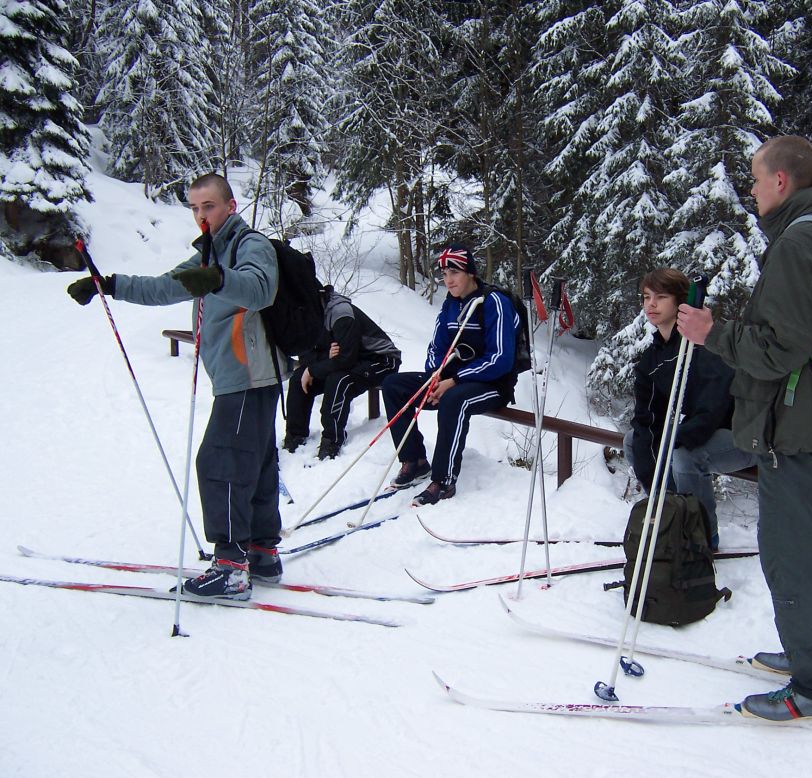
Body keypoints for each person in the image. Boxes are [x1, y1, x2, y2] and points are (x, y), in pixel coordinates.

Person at [676, 135, 812, 723]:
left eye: (754, 179)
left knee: (793, 553)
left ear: (781, 181)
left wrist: (712, 334)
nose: (750, 190)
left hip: (790, 424)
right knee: (807, 546)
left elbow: (779, 350)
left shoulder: (799, 243)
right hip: (805, 418)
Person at [66, 174, 288, 599]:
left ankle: (231, 567)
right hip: (242, 375)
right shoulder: (210, 253)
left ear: (230, 206)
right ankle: (262, 553)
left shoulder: (250, 245)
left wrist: (219, 280)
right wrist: (108, 285)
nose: (201, 215)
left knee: (221, 462)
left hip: (248, 372)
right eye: (194, 208)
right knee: (255, 463)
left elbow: (260, 290)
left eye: (209, 206)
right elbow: (165, 287)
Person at [623, 268, 754, 551]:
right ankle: (672, 517)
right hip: (701, 430)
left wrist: (674, 439)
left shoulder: (705, 347)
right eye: (646, 297)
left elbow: (713, 410)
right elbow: (647, 417)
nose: (651, 304)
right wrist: (651, 454)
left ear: (680, 302)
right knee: (634, 442)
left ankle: (701, 535)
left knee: (685, 455)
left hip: (745, 433)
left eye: (661, 297)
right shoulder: (653, 358)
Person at [381, 243, 519, 507]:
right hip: (450, 379)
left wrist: (454, 381)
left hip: (492, 383)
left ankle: (443, 481)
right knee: (393, 385)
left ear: (470, 272)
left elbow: (501, 358)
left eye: (454, 272)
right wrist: (435, 377)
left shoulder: (494, 303)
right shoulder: (451, 305)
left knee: (454, 399)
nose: (448, 280)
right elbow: (437, 346)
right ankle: (414, 461)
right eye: (444, 274)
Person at [282, 286, 401, 460]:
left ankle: (332, 440)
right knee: (299, 378)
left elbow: (345, 358)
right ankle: (295, 436)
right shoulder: (307, 316)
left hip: (381, 359)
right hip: (351, 358)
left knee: (339, 380)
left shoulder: (340, 313)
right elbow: (306, 354)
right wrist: (324, 358)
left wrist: (315, 368)